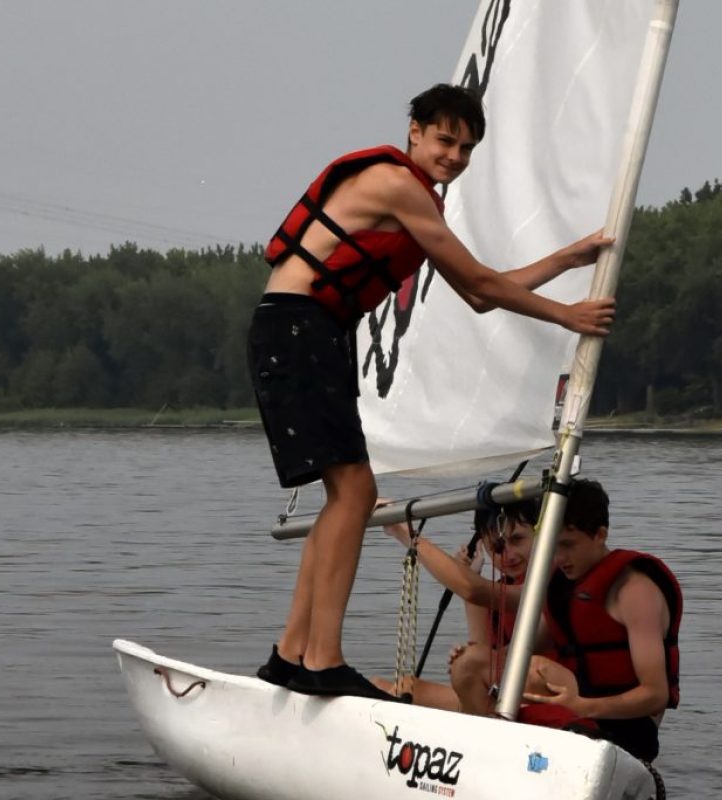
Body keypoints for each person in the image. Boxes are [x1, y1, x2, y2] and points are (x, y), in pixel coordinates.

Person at [250, 83, 617, 701]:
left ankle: (291, 655)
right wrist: (568, 316)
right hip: (298, 328)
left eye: (467, 149)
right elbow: (482, 284)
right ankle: (321, 660)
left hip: (307, 332)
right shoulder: (397, 185)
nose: (454, 156)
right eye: (445, 140)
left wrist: (568, 258)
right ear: (414, 131)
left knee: (348, 494)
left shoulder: (416, 202)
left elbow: (479, 292)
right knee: (355, 492)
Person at [518, 479, 681, 763]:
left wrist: (582, 707)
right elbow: (525, 648)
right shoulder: (563, 586)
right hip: (575, 711)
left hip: (627, 731)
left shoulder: (635, 592)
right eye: (553, 546)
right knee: (478, 664)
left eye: (568, 545)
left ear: (600, 535)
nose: (560, 558)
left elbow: (656, 695)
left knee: (532, 671)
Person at [372, 500, 541, 713]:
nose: (509, 554)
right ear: (483, 546)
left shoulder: (546, 581)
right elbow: (482, 648)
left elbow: (471, 589)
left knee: (409, 687)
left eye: (517, 540)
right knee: (381, 686)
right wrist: (473, 575)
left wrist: (402, 531)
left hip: (533, 695)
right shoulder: (500, 589)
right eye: (496, 547)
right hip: (501, 690)